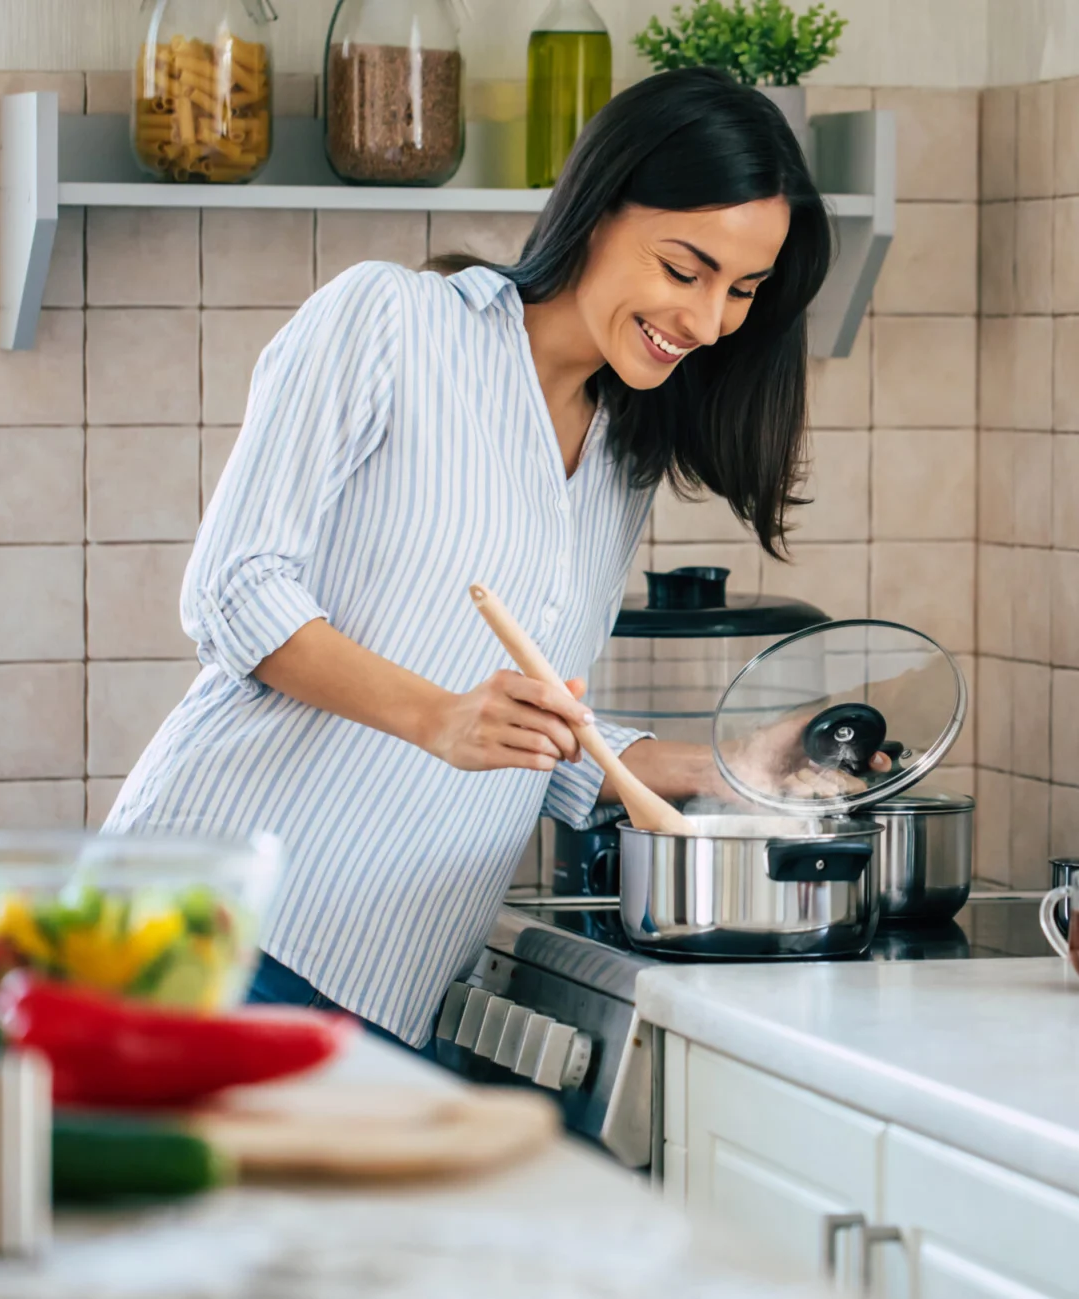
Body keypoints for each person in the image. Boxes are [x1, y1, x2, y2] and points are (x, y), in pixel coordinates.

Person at [103, 68, 832, 1044]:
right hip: (201, 933)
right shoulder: (392, 323)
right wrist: (439, 718)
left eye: (741, 291)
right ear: (600, 207)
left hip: (387, 984)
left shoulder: (622, 457)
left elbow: (532, 728)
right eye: (683, 268)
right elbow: (233, 594)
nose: (705, 323)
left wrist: (729, 767)